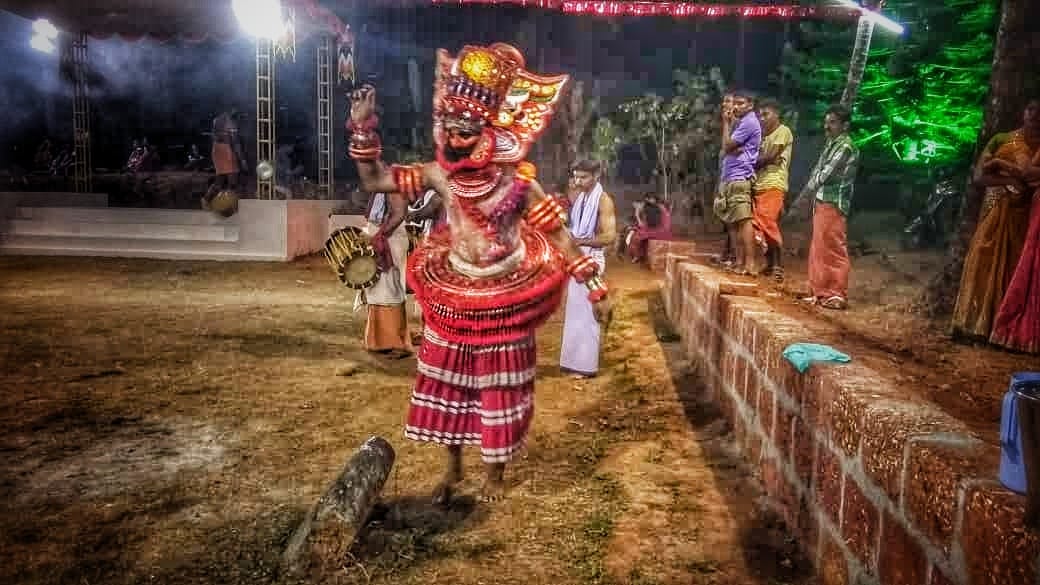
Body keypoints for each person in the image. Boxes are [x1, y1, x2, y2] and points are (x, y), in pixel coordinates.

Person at [347, 43, 611, 503]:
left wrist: (594, 286)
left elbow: (562, 235)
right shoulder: (436, 175)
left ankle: (494, 475)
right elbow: (374, 181)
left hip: (506, 296)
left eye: (465, 125)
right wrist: (362, 125)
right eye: (449, 124)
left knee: (499, 389)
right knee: (449, 382)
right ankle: (452, 471)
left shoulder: (519, 182)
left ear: (488, 128)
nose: (454, 132)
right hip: (454, 292)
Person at [952, 99, 1040, 343]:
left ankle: (1001, 330)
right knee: (983, 258)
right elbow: (980, 177)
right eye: (1031, 110)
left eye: (1039, 113)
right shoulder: (1002, 139)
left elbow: (1029, 178)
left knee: (1014, 269)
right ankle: (973, 326)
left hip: (1026, 216)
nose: (1035, 116)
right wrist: (1006, 183)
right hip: (995, 208)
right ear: (1023, 112)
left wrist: (1003, 166)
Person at [789, 104, 859, 310]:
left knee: (833, 247)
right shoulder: (832, 144)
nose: (826, 127)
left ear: (845, 126)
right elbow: (817, 173)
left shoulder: (845, 146)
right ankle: (819, 293)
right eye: (826, 122)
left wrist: (807, 191)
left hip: (833, 202)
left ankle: (837, 294)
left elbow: (824, 175)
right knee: (819, 247)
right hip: (822, 200)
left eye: (833, 123)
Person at [560, 160, 617, 378]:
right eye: (576, 176)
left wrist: (581, 241)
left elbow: (609, 236)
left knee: (588, 313)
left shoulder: (604, 201)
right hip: (577, 258)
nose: (578, 181)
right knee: (575, 312)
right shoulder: (580, 198)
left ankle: (586, 367)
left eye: (583, 177)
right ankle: (572, 362)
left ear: (596, 175)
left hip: (592, 260)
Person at [356, 191, 413, 358]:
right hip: (379, 235)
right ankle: (378, 341)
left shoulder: (393, 186)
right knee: (374, 287)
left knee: (390, 288)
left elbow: (400, 214)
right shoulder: (379, 186)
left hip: (390, 239)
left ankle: (397, 343)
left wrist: (378, 236)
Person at [714, 90, 762, 275]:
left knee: (743, 220)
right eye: (734, 103)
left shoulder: (749, 122)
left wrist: (726, 123)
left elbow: (727, 146)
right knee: (732, 223)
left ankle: (750, 264)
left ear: (751, 105)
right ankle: (740, 261)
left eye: (740, 103)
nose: (735, 106)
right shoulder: (742, 122)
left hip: (740, 177)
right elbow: (728, 148)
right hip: (730, 177)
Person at [753, 98, 794, 282]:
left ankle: (778, 265)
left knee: (767, 222)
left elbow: (769, 156)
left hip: (774, 183)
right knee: (762, 223)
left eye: (766, 114)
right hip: (759, 184)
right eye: (760, 115)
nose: (762, 118)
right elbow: (762, 159)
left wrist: (760, 161)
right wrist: (761, 161)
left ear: (777, 114)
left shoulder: (783, 131)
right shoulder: (764, 137)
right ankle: (770, 264)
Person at [202, 108, 246, 210]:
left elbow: (214, 136)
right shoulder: (231, 122)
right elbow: (236, 144)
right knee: (233, 181)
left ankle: (206, 200)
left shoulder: (217, 119)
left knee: (220, 180)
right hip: (227, 150)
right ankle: (229, 205)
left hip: (216, 149)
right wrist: (242, 159)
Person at [627, 193, 672, 263]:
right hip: (662, 230)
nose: (636, 207)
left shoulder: (653, 208)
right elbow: (648, 224)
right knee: (637, 233)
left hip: (660, 231)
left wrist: (637, 215)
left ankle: (637, 256)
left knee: (635, 236)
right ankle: (640, 255)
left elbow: (650, 224)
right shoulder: (657, 207)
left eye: (637, 205)